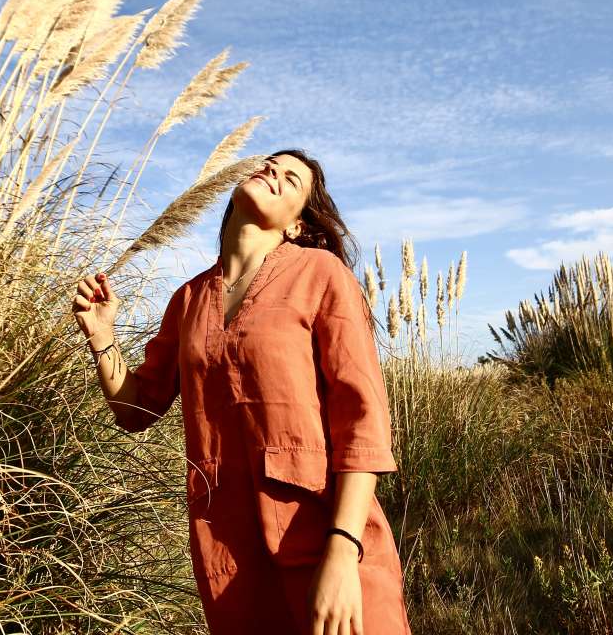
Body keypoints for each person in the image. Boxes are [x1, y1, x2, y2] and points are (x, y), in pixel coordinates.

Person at [72, 149, 413, 634]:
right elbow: (135, 408)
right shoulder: (188, 298)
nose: (272, 172)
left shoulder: (320, 274)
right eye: (268, 165)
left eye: (292, 179)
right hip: (229, 551)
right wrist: (102, 337)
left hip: (326, 539)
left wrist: (342, 552)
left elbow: (362, 422)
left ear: (296, 224)